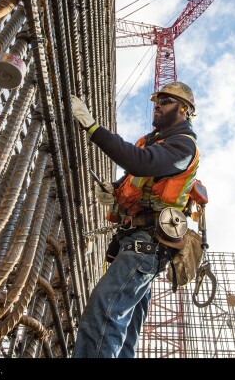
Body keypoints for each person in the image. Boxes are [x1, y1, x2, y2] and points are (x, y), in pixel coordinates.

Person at [69, 81, 200, 358]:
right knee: (126, 332)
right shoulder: (154, 143)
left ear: (184, 109)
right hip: (135, 243)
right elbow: (132, 182)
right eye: (157, 100)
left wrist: (93, 127)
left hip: (146, 245)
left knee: (104, 312)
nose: (157, 104)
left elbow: (140, 162)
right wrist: (112, 192)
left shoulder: (183, 146)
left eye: (165, 100)